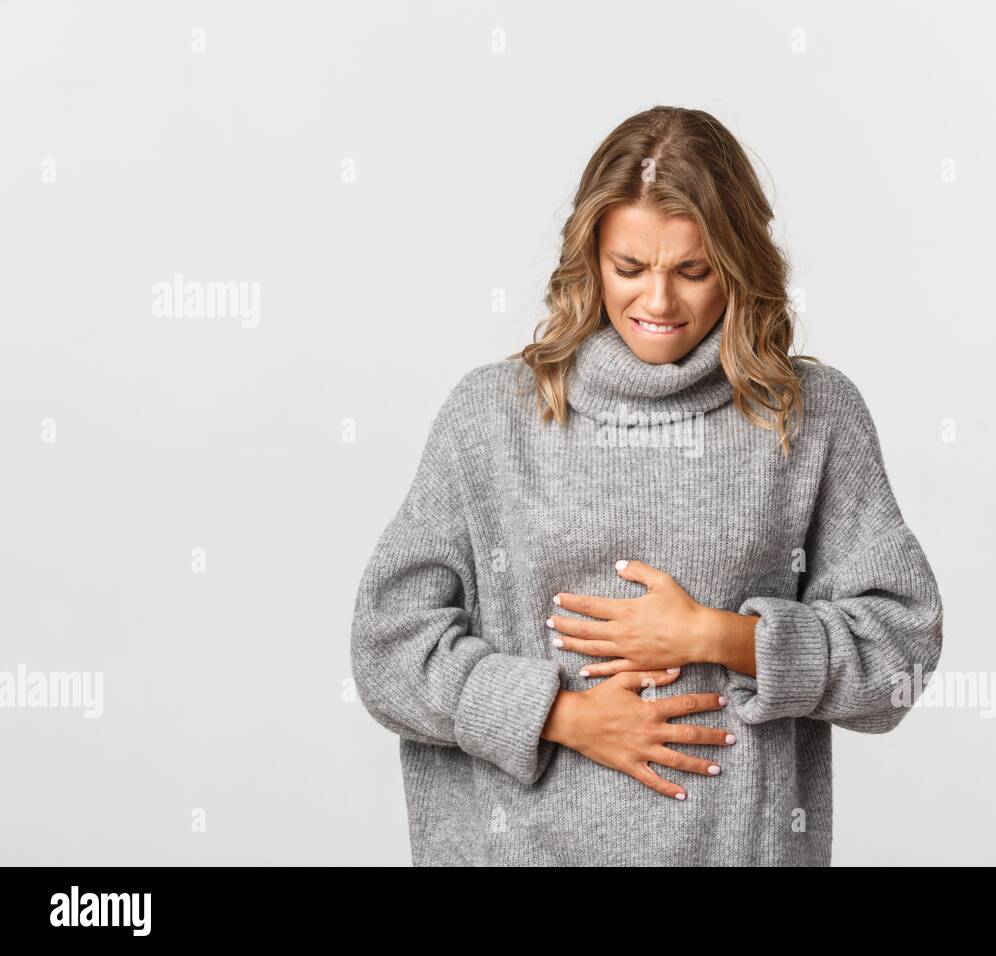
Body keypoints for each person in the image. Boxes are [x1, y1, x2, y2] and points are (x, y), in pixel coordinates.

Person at [350, 105, 944, 866]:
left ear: (738, 264)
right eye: (630, 268)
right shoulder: (492, 416)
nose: (658, 303)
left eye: (693, 271)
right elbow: (385, 648)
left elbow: (903, 647)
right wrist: (559, 715)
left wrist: (720, 637)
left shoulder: (810, 416)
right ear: (590, 256)